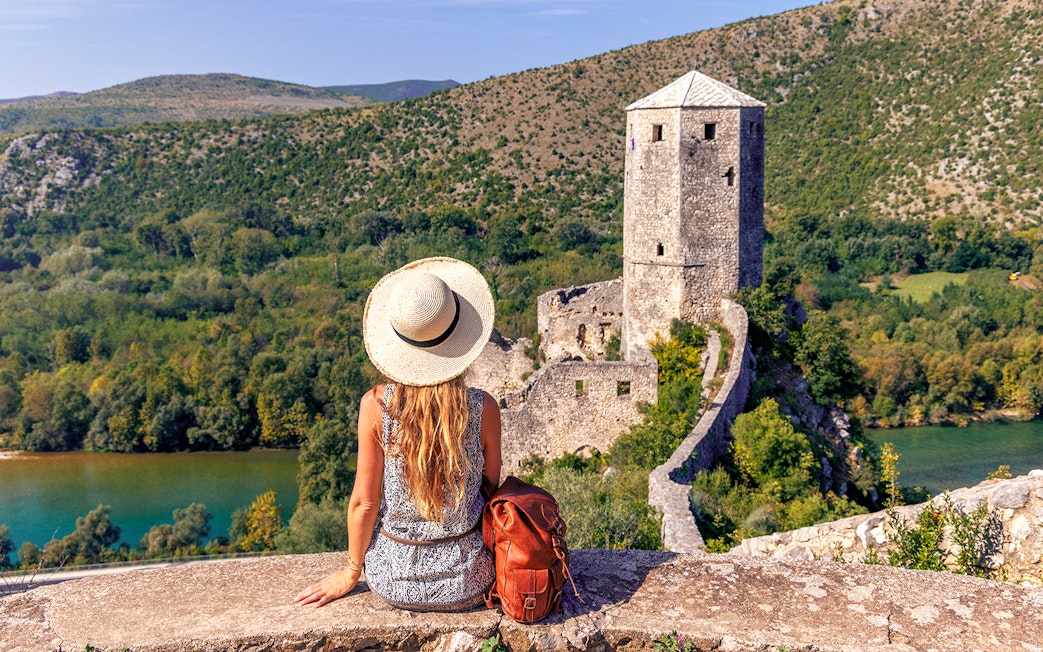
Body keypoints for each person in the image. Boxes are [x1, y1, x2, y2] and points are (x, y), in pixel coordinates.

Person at [295, 256, 500, 611]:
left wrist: (350, 571)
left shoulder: (376, 406)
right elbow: (490, 487)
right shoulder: (484, 408)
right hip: (471, 579)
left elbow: (365, 502)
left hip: (394, 581)